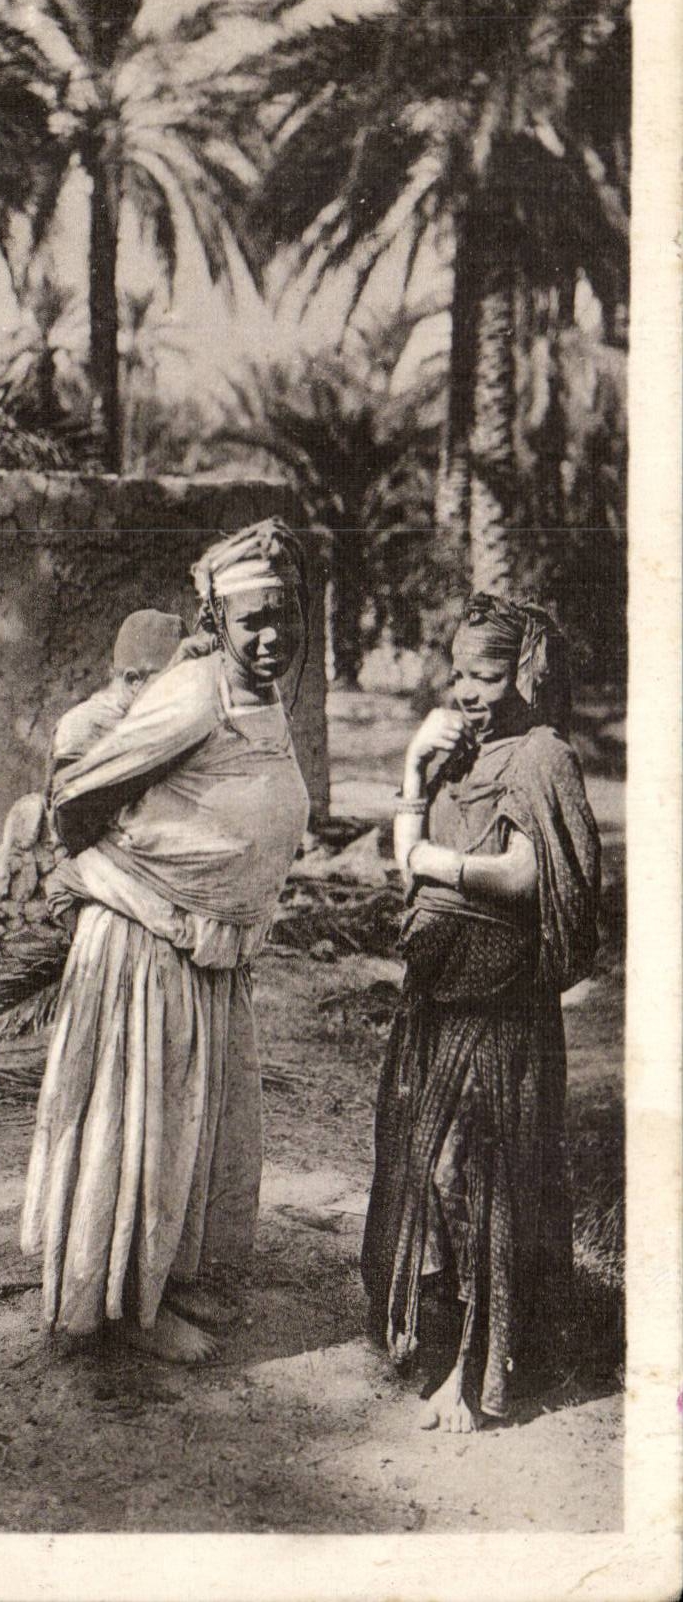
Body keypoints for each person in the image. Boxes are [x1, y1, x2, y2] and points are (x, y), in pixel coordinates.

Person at [21, 518, 311, 1364]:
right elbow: (78, 794)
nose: (271, 635)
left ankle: (156, 1289)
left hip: (208, 949)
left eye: (283, 616)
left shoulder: (262, 698)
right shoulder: (192, 691)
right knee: (134, 1122)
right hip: (146, 942)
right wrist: (116, 884)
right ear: (216, 620)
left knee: (191, 1131)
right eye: (252, 619)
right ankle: (110, 1316)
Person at [360, 594, 600, 1432]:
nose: (466, 691)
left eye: (486, 675)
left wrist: (429, 859)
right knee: (423, 1177)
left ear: (526, 676)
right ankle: (436, 1354)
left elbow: (527, 877)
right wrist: (415, 778)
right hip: (438, 996)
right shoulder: (461, 753)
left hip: (500, 1012)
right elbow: (404, 873)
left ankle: (479, 1369)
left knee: (476, 1180)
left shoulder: (543, 758)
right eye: (458, 672)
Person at [47, 609, 185, 792]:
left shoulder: (155, 720)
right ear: (132, 680)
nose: (180, 693)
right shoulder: (82, 728)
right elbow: (69, 811)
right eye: (170, 683)